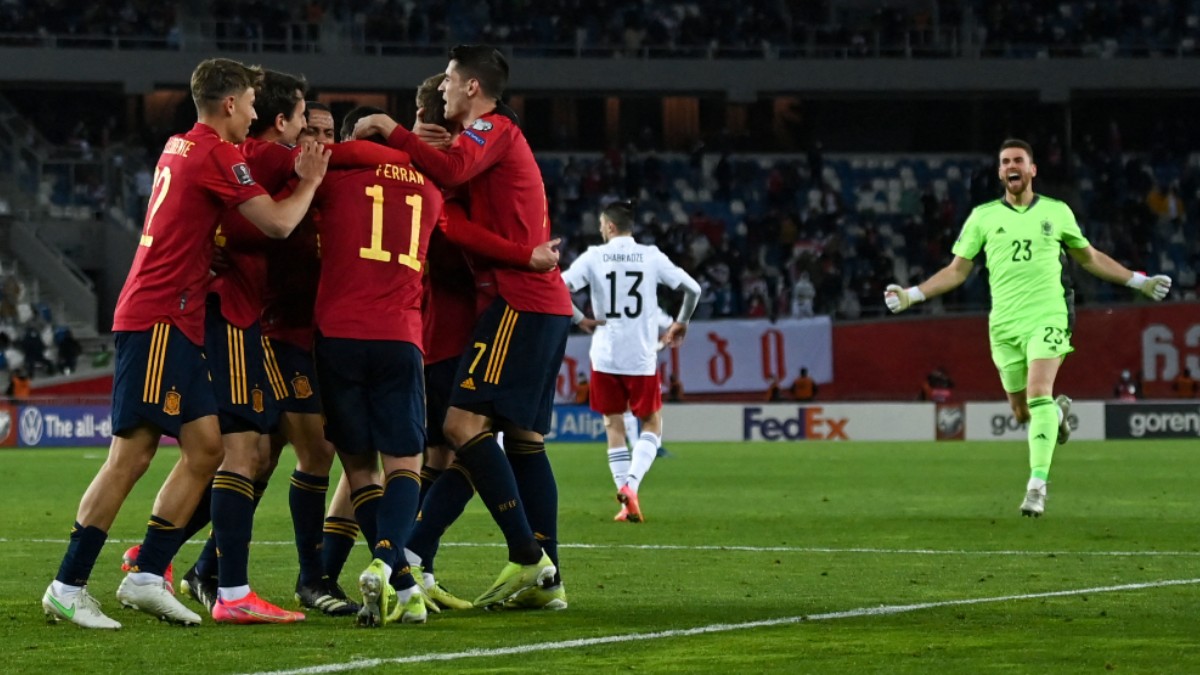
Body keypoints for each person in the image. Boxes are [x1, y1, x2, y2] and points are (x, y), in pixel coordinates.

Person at [41, 57, 329, 631]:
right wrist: (313, 178)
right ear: (228, 105)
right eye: (249, 102)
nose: (254, 112)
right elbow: (275, 224)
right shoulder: (217, 153)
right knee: (132, 456)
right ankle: (68, 584)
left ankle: (147, 574)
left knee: (206, 448)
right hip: (157, 318)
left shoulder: (180, 145)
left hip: (178, 319)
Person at [354, 45, 567, 608]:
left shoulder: (491, 129)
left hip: (518, 300)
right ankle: (545, 577)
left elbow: (451, 191)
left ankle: (527, 557)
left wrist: (391, 131)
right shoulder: (489, 141)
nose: (445, 86)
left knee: (461, 427)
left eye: (450, 79)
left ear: (472, 87)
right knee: (519, 439)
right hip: (535, 300)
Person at [884, 138, 1171, 518]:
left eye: (1018, 160)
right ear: (1001, 172)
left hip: (1048, 315)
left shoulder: (1057, 212)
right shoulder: (983, 217)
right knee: (1021, 413)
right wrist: (911, 295)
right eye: (1005, 162)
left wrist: (1139, 281)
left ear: (1033, 169)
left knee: (1037, 394)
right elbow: (957, 271)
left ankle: (1037, 486)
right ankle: (1057, 416)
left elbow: (1090, 258)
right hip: (1003, 325)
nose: (1011, 166)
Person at [165, 69, 312, 624]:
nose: (309, 137)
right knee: (242, 451)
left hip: (241, 318)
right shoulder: (265, 157)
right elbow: (281, 218)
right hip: (228, 317)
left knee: (257, 447)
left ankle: (162, 554)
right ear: (281, 120)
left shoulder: (225, 156)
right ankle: (226, 588)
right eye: (303, 121)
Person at [307, 105, 446, 626]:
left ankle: (400, 584)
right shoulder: (430, 190)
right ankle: (390, 563)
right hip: (398, 335)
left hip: (337, 335)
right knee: (406, 464)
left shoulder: (334, 181)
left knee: (359, 466)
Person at [561, 200, 700, 523]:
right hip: (640, 355)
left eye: (600, 225)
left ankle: (625, 500)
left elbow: (556, 286)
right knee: (652, 423)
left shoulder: (594, 257)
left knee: (614, 425)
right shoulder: (650, 257)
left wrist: (580, 318)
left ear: (609, 226)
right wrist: (681, 322)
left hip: (605, 354)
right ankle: (632, 486)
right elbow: (693, 288)